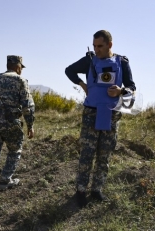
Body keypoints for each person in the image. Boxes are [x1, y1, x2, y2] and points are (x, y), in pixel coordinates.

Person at [65, 30, 136, 207]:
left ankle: (97, 190)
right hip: (91, 113)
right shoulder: (90, 60)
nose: (97, 49)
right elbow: (69, 70)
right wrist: (82, 85)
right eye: (95, 46)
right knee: (87, 154)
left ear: (110, 45)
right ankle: (81, 191)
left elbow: (131, 87)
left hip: (111, 114)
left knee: (104, 154)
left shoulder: (122, 62)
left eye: (100, 46)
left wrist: (121, 91)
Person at [0, 55, 35, 205]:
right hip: (11, 123)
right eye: (21, 68)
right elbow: (28, 106)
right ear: (18, 67)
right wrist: (30, 126)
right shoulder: (20, 80)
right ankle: (5, 180)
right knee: (14, 151)